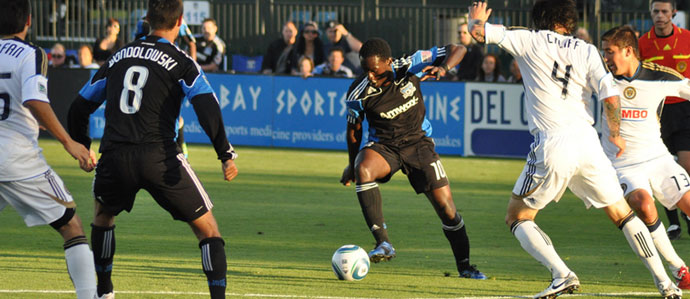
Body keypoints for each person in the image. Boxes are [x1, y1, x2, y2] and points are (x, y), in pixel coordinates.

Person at [468, 1, 682, 298]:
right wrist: (616, 135)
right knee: (622, 214)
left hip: (553, 143)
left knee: (517, 216)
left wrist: (474, 20)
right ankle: (666, 284)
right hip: (588, 143)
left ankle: (562, 274)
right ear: (569, 22)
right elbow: (609, 95)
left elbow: (479, 34)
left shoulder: (530, 38)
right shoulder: (586, 49)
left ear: (540, 18)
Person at [67, 0, 238, 298]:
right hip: (161, 158)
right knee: (208, 230)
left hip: (115, 156)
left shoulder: (118, 56)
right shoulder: (182, 60)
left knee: (103, 217)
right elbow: (206, 104)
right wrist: (224, 154)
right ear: (179, 22)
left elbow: (80, 106)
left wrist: (82, 145)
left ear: (146, 19)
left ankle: (104, 290)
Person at [339, 37, 486, 279]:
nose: (371, 77)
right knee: (364, 169)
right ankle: (383, 243)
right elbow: (354, 131)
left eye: (375, 70)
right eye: (366, 71)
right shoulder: (358, 92)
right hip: (384, 147)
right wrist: (351, 164)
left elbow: (458, 49)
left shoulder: (409, 64)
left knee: (447, 209)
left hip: (419, 145)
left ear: (388, 61)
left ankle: (465, 267)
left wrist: (443, 67)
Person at [0, 1, 97, 298]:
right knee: (71, 225)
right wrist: (70, 143)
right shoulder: (31, 53)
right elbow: (34, 100)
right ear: (28, 20)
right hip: (17, 160)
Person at [601, 25, 690, 290]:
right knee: (643, 203)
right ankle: (679, 268)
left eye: (610, 52)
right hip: (621, 163)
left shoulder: (659, 76)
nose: (605, 57)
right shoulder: (602, 77)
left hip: (657, 156)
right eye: (603, 52)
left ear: (628, 51)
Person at [639, 0, 690, 241]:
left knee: (686, 165)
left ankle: (687, 211)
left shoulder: (687, 38)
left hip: (685, 110)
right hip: (656, 113)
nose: (660, 16)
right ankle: (673, 223)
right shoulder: (642, 43)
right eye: (656, 11)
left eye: (664, 11)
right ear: (651, 13)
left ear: (673, 14)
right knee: (661, 169)